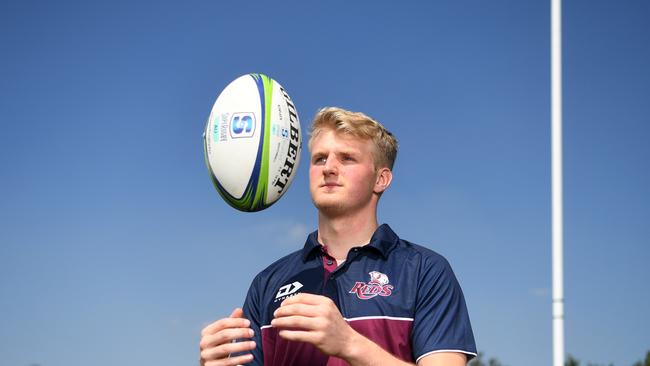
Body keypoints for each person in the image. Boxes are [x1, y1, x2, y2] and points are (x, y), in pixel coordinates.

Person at [200, 107, 477, 366]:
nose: (328, 167)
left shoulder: (424, 271)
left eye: (347, 158)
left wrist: (350, 344)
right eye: (320, 158)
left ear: (381, 179)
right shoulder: (268, 282)